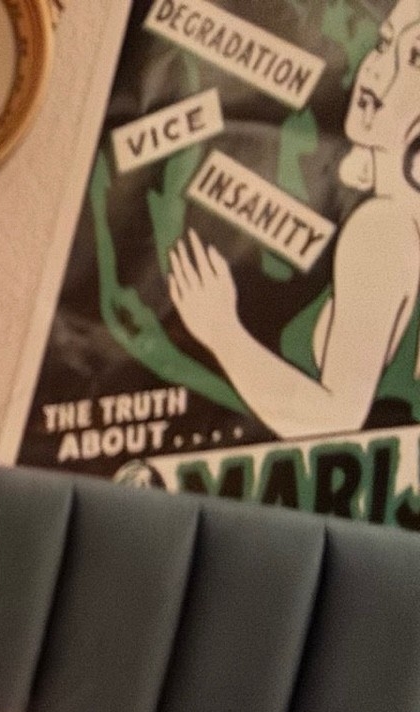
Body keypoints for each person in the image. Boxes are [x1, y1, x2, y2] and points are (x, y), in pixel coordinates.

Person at [167, 0, 420, 439]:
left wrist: (221, 331)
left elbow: (335, 419)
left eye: (417, 59)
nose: (378, 71)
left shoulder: (383, 229)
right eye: (383, 45)